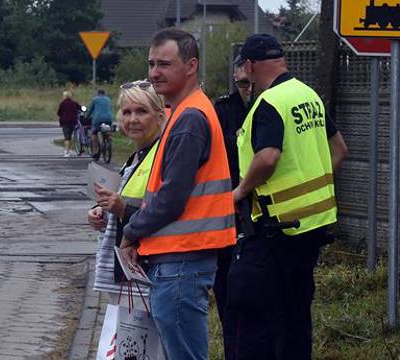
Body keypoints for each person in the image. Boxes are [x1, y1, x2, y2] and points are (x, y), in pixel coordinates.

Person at [117, 28, 236, 360]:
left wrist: (132, 231)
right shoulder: (182, 112)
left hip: (182, 258)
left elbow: (172, 198)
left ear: (191, 66)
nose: (155, 72)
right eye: (152, 63)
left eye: (165, 64)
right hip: (180, 256)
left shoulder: (189, 119)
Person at [228, 33, 348, 360]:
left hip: (277, 229)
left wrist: (240, 191)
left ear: (251, 66)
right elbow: (339, 150)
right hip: (314, 224)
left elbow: (267, 157)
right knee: (297, 315)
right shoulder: (308, 95)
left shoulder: (270, 103)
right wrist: (312, 185)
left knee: (258, 316)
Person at [90, 80, 164, 298]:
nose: (133, 119)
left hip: (146, 273)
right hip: (128, 275)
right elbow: (129, 199)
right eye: (127, 112)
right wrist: (100, 211)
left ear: (160, 116)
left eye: (142, 111)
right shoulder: (135, 157)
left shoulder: (161, 155)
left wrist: (122, 209)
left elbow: (165, 212)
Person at [211, 61, 253, 358]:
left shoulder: (270, 106)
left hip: (262, 212)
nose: (247, 91)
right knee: (227, 289)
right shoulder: (223, 109)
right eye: (242, 84)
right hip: (228, 208)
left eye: (251, 84)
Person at [87, 89, 113, 160]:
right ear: (104, 93)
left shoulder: (95, 99)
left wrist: (87, 116)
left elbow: (90, 110)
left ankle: (96, 151)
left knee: (94, 133)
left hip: (98, 119)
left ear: (97, 93)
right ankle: (108, 138)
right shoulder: (108, 99)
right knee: (107, 131)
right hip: (108, 119)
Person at [57, 91, 81, 157]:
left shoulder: (62, 103)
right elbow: (81, 108)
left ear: (64, 96)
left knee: (67, 137)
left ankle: (66, 152)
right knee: (70, 136)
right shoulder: (74, 103)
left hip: (64, 122)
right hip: (73, 121)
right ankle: (69, 150)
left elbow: (59, 113)